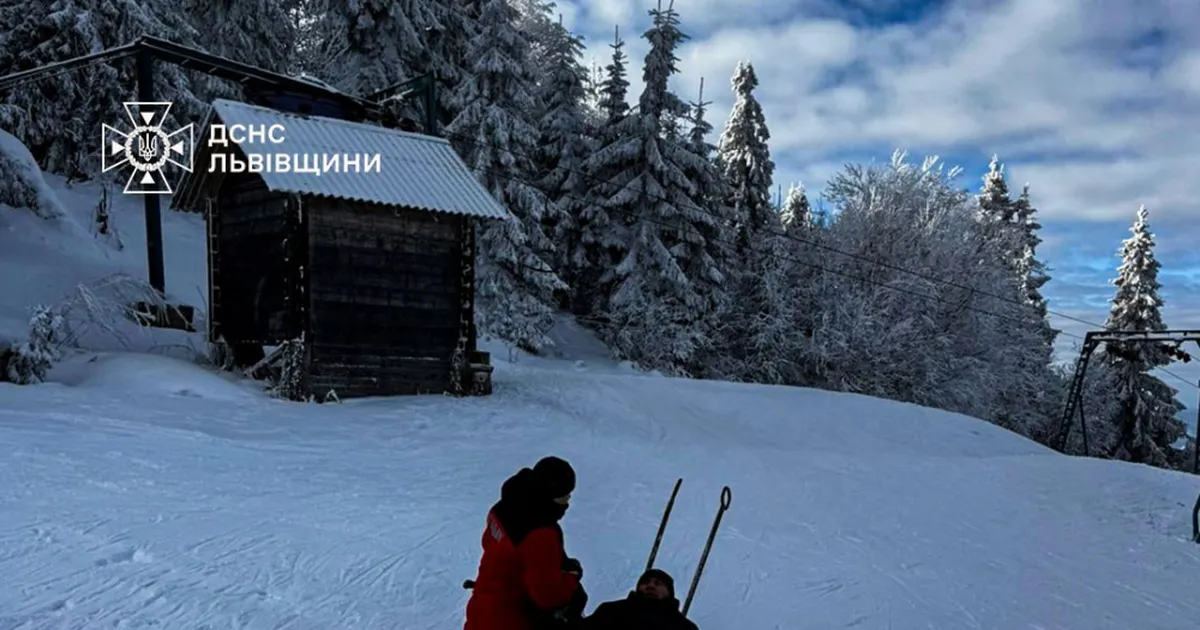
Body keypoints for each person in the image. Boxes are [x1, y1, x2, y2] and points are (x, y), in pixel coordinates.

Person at [464, 456, 588, 630]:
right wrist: (571, 580)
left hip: (481, 610)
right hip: (509, 620)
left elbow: (494, 547)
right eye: (565, 497)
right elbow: (547, 595)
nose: (568, 502)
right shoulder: (541, 534)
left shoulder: (504, 508)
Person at [578, 568, 698, 630]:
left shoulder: (683, 627)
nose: (650, 586)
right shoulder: (612, 611)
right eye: (645, 582)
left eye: (658, 583)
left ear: (669, 592)